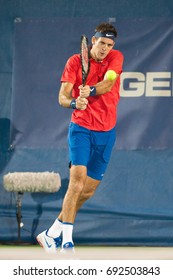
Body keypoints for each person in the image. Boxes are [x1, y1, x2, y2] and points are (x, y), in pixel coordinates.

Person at [37, 22, 124, 253]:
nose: (105, 48)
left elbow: (109, 83)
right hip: (81, 128)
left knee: (87, 190)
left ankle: (51, 233)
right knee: (77, 181)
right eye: (102, 43)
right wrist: (75, 102)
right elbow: (62, 97)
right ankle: (67, 241)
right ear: (93, 41)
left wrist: (91, 90)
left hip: (106, 132)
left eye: (109, 44)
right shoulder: (75, 62)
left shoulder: (116, 58)